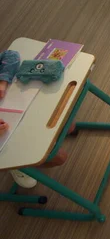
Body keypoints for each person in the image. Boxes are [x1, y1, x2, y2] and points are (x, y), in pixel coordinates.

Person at [0, 50, 70, 188]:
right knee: (59, 157)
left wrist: (2, 83)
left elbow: (11, 55)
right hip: (4, 143)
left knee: (66, 122)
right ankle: (17, 165)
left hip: (12, 109)